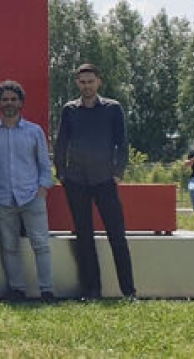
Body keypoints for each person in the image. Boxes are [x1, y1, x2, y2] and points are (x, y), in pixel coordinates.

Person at [55, 64, 136, 300]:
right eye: (82, 82)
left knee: (117, 236)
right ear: (77, 84)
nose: (87, 86)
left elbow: (122, 144)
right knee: (84, 236)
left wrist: (117, 173)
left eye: (91, 81)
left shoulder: (113, 108)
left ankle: (128, 291)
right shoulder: (70, 110)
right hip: (76, 181)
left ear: (99, 82)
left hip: (105, 180)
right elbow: (61, 143)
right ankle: (92, 290)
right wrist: (62, 173)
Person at [0, 80, 55, 302]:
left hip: (32, 197)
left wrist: (42, 189)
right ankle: (17, 289)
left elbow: (44, 164)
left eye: (13, 99)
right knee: (10, 247)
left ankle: (47, 290)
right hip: (2, 198)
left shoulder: (34, 132)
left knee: (41, 245)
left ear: (21, 102)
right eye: (4, 100)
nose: (9, 103)